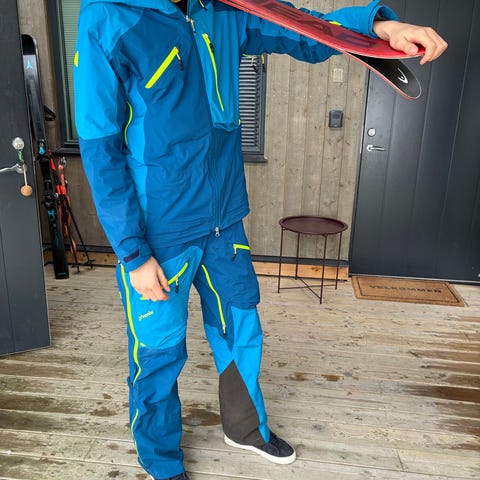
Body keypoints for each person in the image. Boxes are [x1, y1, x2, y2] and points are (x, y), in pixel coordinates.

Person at [73, 1, 447, 479]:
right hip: (159, 232)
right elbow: (99, 147)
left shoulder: (225, 8)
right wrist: (132, 251)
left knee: (241, 329)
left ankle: (245, 428)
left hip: (224, 221)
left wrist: (380, 28)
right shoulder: (108, 17)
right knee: (158, 351)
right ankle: (160, 459)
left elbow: (301, 28)